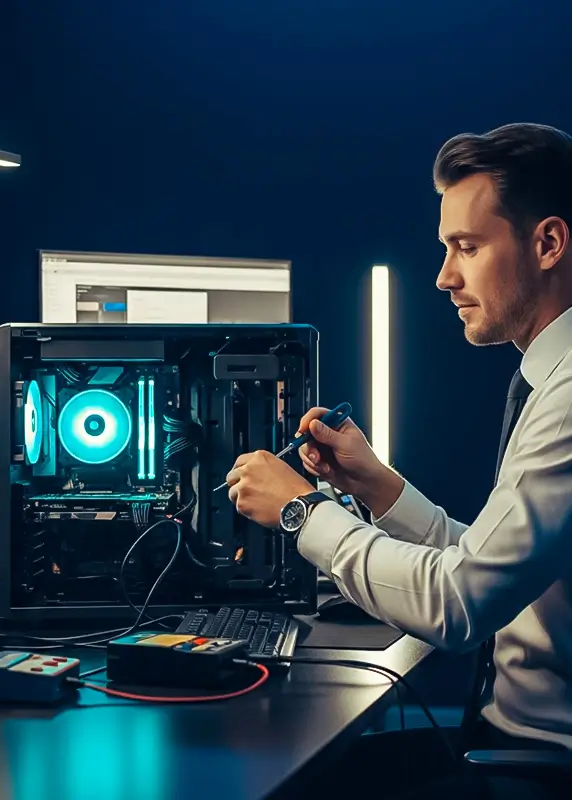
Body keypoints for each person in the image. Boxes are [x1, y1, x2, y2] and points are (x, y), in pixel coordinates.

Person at [224, 123, 572, 799]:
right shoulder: (550, 377)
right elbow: (492, 569)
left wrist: (301, 512)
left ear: (549, 243)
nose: (444, 277)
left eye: (467, 247)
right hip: (505, 746)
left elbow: (458, 604)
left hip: (539, 766)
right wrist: (378, 487)